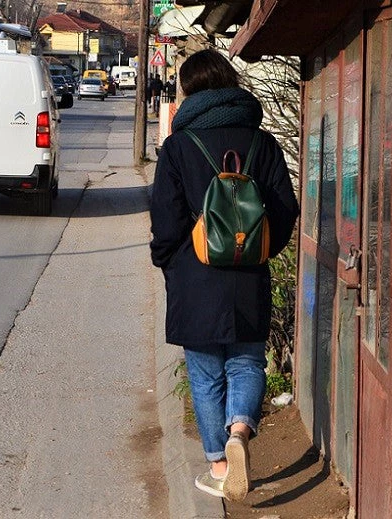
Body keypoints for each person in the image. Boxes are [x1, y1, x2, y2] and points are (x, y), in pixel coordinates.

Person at [148, 49, 299, 502]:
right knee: (248, 361)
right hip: (249, 273)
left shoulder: (177, 147)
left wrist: (169, 261)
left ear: (191, 90)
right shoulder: (263, 143)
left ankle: (218, 464)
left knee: (206, 371)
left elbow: (166, 219)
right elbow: (285, 210)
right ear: (231, 84)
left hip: (196, 274)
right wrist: (260, 250)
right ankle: (239, 433)